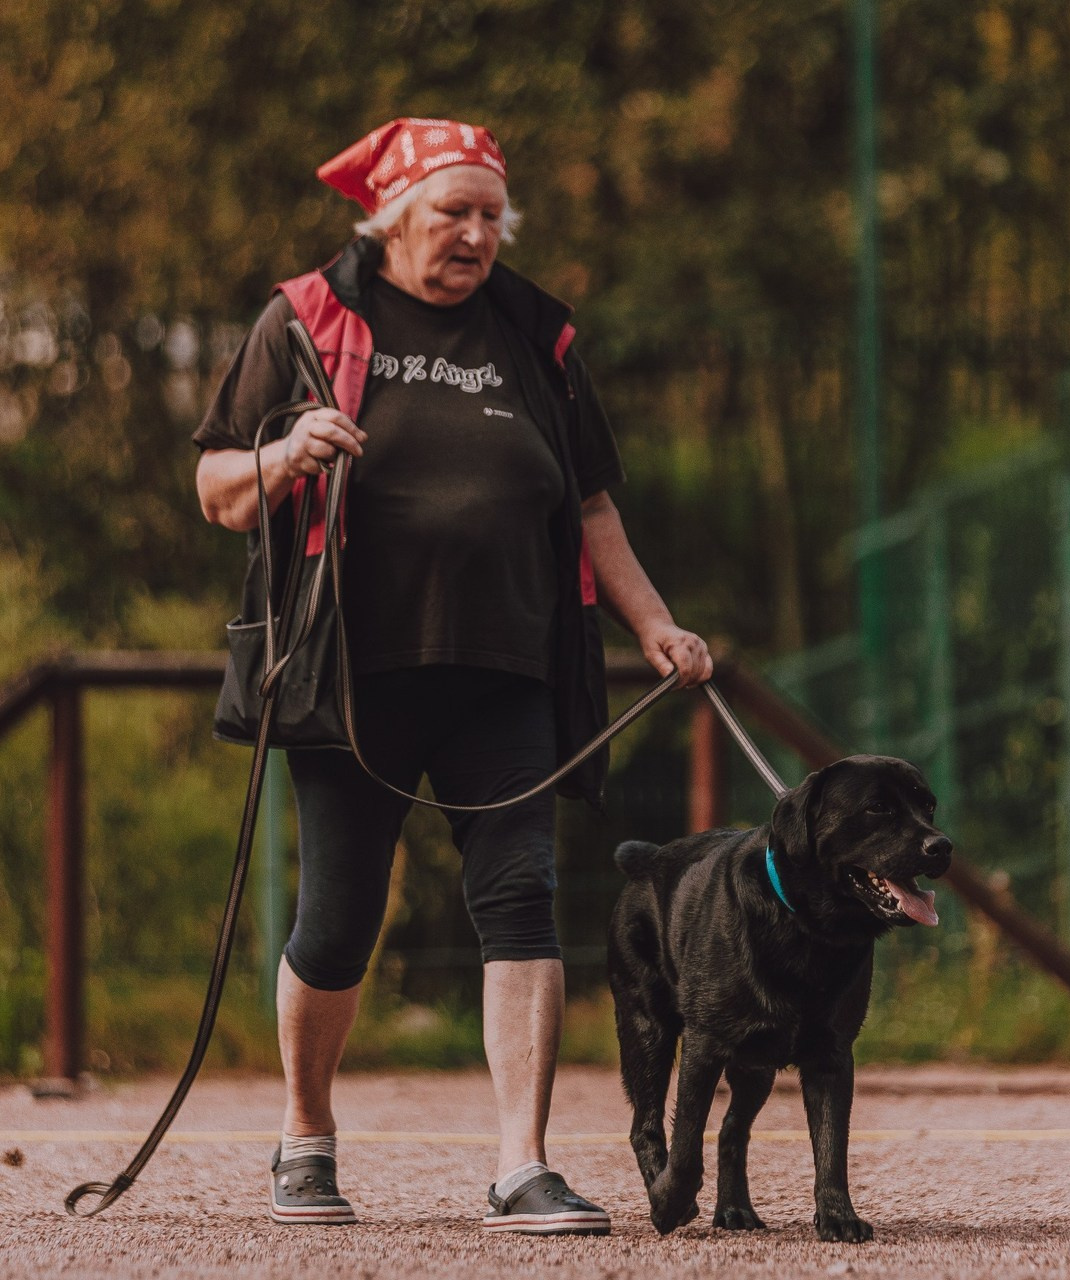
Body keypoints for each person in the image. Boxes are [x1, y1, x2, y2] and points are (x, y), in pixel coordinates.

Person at [193, 117, 712, 1235]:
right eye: (452, 214)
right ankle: (304, 1139)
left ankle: (520, 1165)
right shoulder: (304, 320)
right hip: (352, 671)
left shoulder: (536, 333)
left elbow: (591, 507)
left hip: (507, 666)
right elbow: (216, 487)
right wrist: (285, 452)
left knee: (521, 895)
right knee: (337, 918)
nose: (475, 234)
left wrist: (657, 624)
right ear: (390, 221)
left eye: (490, 215)